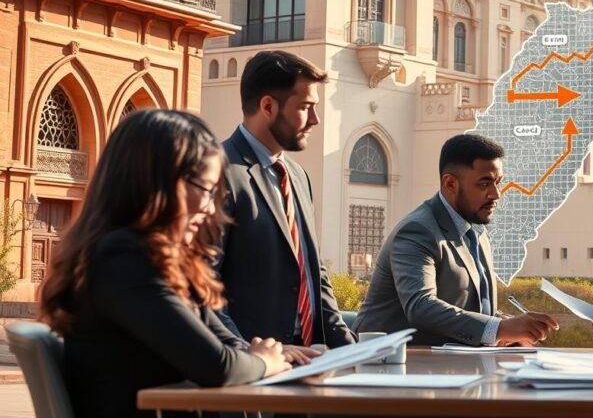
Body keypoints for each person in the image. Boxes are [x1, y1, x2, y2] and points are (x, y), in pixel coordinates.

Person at [38, 110, 292, 418]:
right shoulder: (121, 258)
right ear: (159, 182)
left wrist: (281, 356)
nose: (210, 207)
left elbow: (224, 343)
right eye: (206, 189)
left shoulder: (161, 259)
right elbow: (218, 366)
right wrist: (265, 362)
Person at [354, 134, 559, 346]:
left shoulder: (476, 231)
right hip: (389, 367)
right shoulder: (417, 231)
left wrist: (502, 328)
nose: (496, 194)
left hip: (452, 367)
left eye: (498, 183)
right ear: (450, 184)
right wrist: (499, 328)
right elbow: (421, 306)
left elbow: (468, 307)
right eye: (484, 184)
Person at [215, 51, 356, 354]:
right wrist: (247, 355)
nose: (316, 120)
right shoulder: (217, 172)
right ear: (268, 106)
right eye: (306, 107)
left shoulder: (297, 175)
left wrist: (349, 349)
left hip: (310, 364)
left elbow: (312, 274)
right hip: (255, 373)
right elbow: (203, 286)